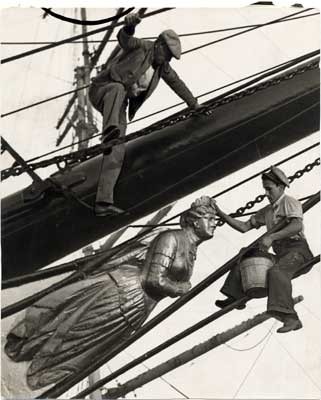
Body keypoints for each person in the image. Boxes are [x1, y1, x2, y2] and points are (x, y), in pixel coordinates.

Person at [5, 196, 216, 390]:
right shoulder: (172, 238)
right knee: (71, 331)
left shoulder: (190, 249)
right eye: (210, 218)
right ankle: (25, 357)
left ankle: (37, 373)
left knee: (82, 349)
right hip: (123, 293)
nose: (215, 222)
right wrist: (179, 288)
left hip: (136, 308)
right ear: (195, 222)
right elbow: (154, 279)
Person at [89, 13, 200, 217]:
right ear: (159, 44)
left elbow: (177, 84)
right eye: (166, 54)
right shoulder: (142, 47)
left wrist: (194, 105)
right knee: (117, 89)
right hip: (102, 89)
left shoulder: (162, 67)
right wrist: (129, 27)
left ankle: (103, 202)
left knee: (117, 150)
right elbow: (125, 40)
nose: (166, 60)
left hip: (118, 106)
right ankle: (109, 133)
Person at [213, 166, 313, 333]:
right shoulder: (268, 211)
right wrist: (219, 213)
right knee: (246, 253)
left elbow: (296, 225)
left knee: (277, 272)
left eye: (269, 189)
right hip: (281, 253)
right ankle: (235, 295)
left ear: (280, 187)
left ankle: (291, 318)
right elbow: (244, 227)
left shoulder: (289, 202)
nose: (266, 194)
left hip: (298, 251)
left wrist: (272, 237)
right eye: (265, 189)